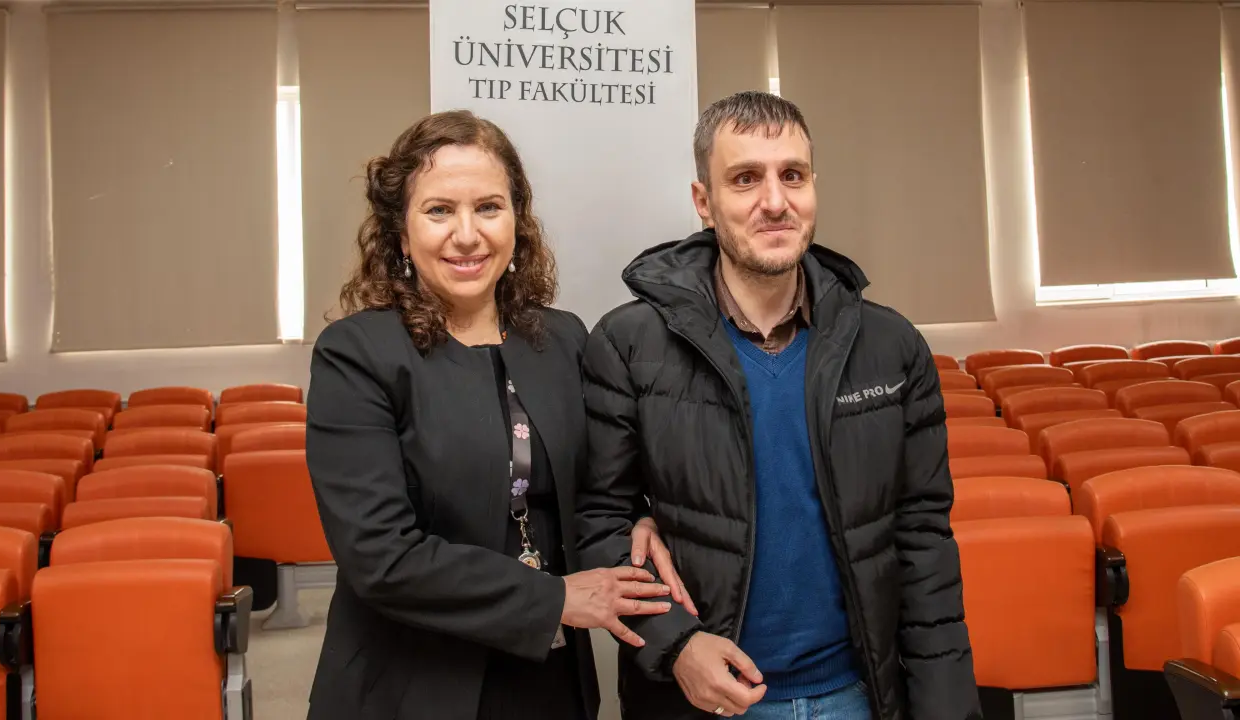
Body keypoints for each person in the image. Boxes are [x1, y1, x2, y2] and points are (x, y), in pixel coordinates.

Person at [576, 91, 981, 720]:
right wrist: (676, 645)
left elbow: (924, 543)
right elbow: (599, 521)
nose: (774, 201)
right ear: (704, 202)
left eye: (792, 175)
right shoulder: (628, 345)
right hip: (705, 700)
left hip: (859, 697)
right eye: (745, 179)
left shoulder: (891, 346)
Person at [304, 110, 694, 720]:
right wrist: (553, 598)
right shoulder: (356, 355)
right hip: (412, 686)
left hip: (549, 680)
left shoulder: (563, 339)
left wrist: (637, 518)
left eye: (488, 207)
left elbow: (600, 485)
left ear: (517, 221)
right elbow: (379, 556)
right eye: (439, 211)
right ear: (401, 234)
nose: (467, 235)